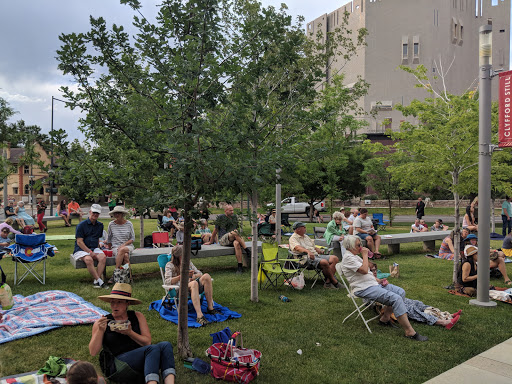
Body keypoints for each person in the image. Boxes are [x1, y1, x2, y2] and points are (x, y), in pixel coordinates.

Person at [341, 235, 428, 341]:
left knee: (400, 292)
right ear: (350, 246)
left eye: (361, 244)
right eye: (359, 245)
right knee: (396, 298)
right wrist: (364, 255)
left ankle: (384, 319)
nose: (361, 246)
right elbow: (363, 270)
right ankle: (409, 331)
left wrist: (376, 277)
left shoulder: (354, 255)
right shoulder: (348, 258)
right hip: (363, 288)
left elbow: (368, 268)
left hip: (372, 284)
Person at [89, 283, 176, 384]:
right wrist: (100, 331)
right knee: (152, 349)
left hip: (141, 356)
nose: (115, 306)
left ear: (127, 303)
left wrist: (130, 333)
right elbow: (93, 352)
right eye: (112, 302)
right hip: (118, 363)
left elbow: (147, 342)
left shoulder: (138, 316)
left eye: (119, 302)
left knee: (166, 345)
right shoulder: (103, 322)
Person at [369, 262, 461, 329]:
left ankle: (445, 315)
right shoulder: (367, 284)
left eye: (375, 270)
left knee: (417, 303)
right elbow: (372, 299)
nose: (375, 272)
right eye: (372, 270)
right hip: (384, 303)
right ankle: (443, 322)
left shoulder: (376, 279)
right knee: (412, 308)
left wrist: (383, 283)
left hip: (393, 297)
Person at [164, 245, 220, 325]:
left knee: (206, 276)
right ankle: (199, 316)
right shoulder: (170, 265)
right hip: (179, 289)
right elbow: (167, 281)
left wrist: (194, 276)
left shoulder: (188, 262)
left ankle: (210, 308)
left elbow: (199, 273)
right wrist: (182, 276)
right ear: (180, 255)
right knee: (194, 283)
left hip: (191, 285)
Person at [288, 221, 341, 289]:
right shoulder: (293, 238)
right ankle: (334, 282)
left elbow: (313, 246)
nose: (305, 228)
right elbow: (297, 248)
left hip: (315, 255)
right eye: (303, 227)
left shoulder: (306, 236)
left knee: (335, 258)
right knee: (324, 262)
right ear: (298, 229)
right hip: (304, 258)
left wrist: (319, 250)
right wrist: (308, 252)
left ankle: (328, 282)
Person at [204, 204, 250, 274]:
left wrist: (238, 238)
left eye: (233, 210)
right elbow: (215, 230)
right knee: (235, 232)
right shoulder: (221, 217)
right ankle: (247, 250)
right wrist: (210, 241)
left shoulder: (234, 217)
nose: (232, 212)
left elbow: (236, 228)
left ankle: (239, 267)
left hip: (234, 237)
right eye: (230, 210)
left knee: (236, 243)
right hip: (223, 239)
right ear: (225, 211)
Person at [72, 204, 109, 288]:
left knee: (103, 257)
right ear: (90, 212)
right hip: (81, 249)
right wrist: (89, 252)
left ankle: (96, 281)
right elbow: (79, 242)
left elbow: (98, 239)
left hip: (94, 247)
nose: (95, 215)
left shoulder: (100, 225)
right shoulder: (81, 225)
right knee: (89, 259)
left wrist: (100, 247)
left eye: (97, 213)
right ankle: (100, 281)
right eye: (94, 212)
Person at [106, 206, 135, 284]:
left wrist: (124, 244)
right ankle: (129, 277)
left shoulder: (129, 224)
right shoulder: (111, 224)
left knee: (122, 250)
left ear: (122, 214)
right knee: (125, 256)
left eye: (118, 213)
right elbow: (109, 238)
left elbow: (132, 238)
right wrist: (109, 248)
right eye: (115, 213)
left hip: (128, 246)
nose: (116, 215)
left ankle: (115, 275)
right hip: (115, 247)